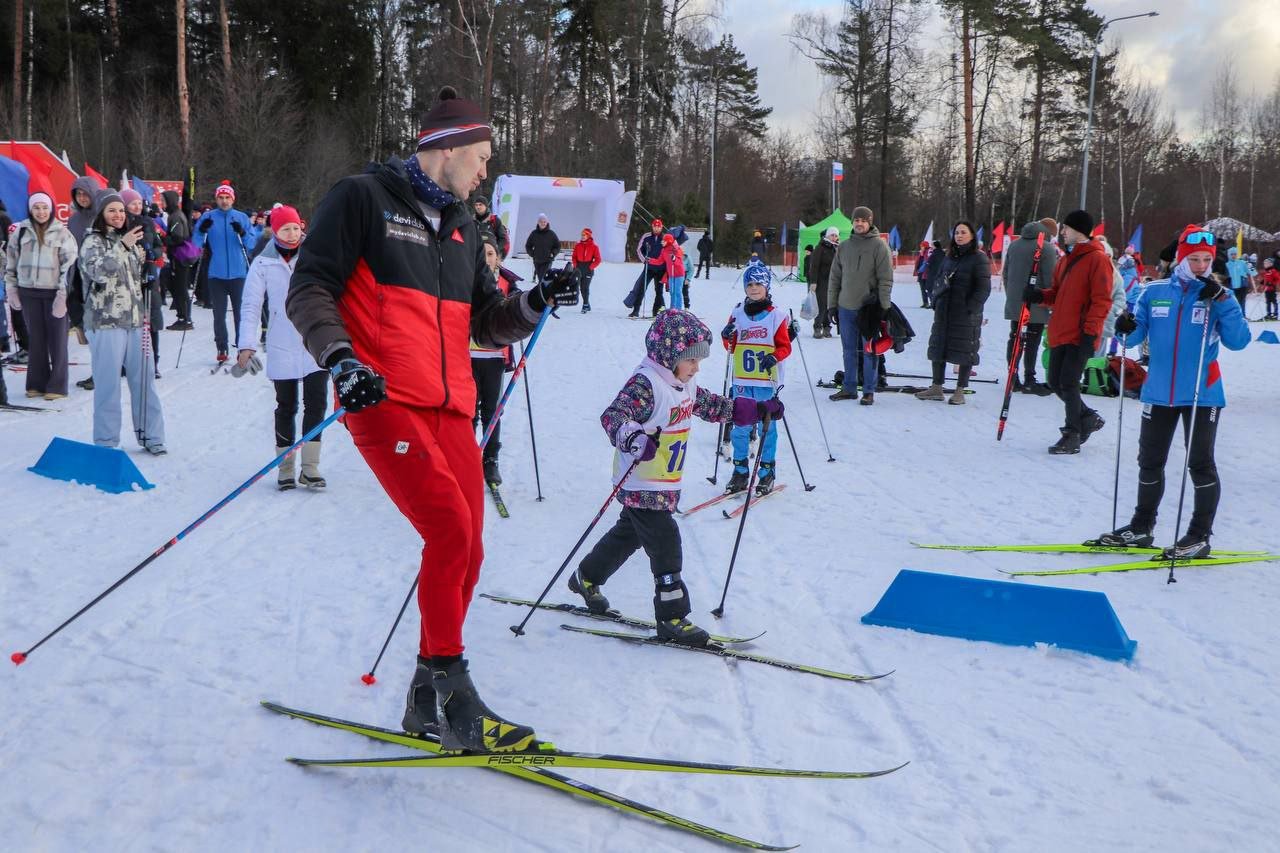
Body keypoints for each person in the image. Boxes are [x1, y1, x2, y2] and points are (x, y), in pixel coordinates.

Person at [286, 85, 576, 753]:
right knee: (447, 526)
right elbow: (311, 288)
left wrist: (533, 302)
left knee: (470, 546)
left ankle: (424, 691)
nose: (486, 172)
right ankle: (453, 689)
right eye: (481, 158)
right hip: (383, 396)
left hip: (451, 406)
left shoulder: (463, 225)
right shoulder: (362, 198)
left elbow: (486, 321)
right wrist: (340, 360)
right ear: (445, 150)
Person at [568, 309, 774, 647]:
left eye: (699, 360)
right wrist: (634, 437)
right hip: (641, 481)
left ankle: (586, 578)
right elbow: (613, 416)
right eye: (690, 360)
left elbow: (707, 404)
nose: (696, 367)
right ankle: (672, 616)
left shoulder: (682, 382)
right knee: (665, 540)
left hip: (664, 482)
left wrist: (751, 410)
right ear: (669, 355)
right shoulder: (646, 383)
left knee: (628, 535)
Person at [1097, 226, 1251, 557]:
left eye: (1206, 260)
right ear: (1181, 258)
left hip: (1202, 393)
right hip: (1159, 392)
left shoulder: (1215, 297)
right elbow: (1132, 337)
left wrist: (1223, 300)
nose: (1200, 266)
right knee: (1149, 461)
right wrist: (1124, 326)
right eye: (1193, 258)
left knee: (1200, 463)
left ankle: (1198, 535)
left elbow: (1239, 342)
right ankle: (1141, 527)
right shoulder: (1155, 292)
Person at [234, 205, 325, 490]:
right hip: (281, 342)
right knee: (286, 406)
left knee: (316, 404)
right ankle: (285, 467)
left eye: (296, 228)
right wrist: (246, 345)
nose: (292, 234)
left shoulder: (314, 255)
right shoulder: (263, 263)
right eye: (286, 228)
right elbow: (250, 305)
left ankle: (310, 468)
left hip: (315, 340)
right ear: (274, 230)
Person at [79, 191, 166, 453]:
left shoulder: (130, 240)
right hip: (106, 323)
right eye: (111, 211)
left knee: (145, 381)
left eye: (121, 211)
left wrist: (149, 267)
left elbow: (136, 276)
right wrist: (123, 246)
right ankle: (106, 442)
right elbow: (98, 272)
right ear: (101, 214)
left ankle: (151, 436)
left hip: (135, 320)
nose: (118, 215)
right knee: (108, 384)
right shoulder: (93, 241)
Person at [1023, 210, 1113, 455]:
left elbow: (1101, 300)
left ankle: (1072, 433)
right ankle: (1087, 418)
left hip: (1080, 333)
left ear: (1079, 231)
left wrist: (1090, 333)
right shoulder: (1065, 259)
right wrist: (1040, 295)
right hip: (1061, 330)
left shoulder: (1097, 259)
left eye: (1066, 228)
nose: (1062, 232)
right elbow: (1057, 293)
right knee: (1054, 381)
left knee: (1069, 383)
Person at [720, 263, 790, 494]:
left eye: (758, 283)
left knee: (766, 428)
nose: (753, 288)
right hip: (741, 381)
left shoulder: (777, 315)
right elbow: (730, 346)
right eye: (749, 284)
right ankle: (740, 471)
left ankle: (767, 472)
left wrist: (774, 356)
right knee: (740, 428)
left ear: (767, 286)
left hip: (765, 383)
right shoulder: (738, 312)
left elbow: (785, 347)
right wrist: (726, 336)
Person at [3, 188, 77, 400]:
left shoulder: (62, 233)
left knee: (57, 340)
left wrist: (63, 295)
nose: (41, 211)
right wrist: (12, 289)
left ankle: (57, 385)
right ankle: (36, 383)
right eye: (36, 207)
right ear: (30, 209)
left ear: (51, 209)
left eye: (45, 207)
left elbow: (69, 266)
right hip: (28, 293)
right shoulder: (20, 232)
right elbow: (11, 264)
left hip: (54, 292)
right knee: (36, 339)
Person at [915, 221, 991, 406]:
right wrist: (936, 301)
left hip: (965, 314)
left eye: (963, 232)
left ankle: (959, 391)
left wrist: (970, 308)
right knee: (938, 348)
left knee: (965, 351)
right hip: (944, 311)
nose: (959, 235)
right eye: (957, 232)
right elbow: (938, 279)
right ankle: (936, 387)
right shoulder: (949, 257)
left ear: (972, 236)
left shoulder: (978, 258)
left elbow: (983, 288)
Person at [827, 206, 893, 404]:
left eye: (864, 220)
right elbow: (834, 278)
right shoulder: (844, 247)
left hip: (869, 309)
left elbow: (885, 278)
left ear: (870, 222)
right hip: (845, 307)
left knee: (869, 350)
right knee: (848, 350)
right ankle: (849, 387)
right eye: (857, 220)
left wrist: (884, 305)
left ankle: (869, 391)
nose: (860, 223)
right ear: (852, 222)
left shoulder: (879, 246)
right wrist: (832, 305)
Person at [472, 232, 519, 485]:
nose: (486, 258)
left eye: (490, 253)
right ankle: (467, 457)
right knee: (468, 411)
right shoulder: (462, 279)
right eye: (482, 253)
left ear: (498, 259)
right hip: (465, 357)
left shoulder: (506, 284)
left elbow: (516, 314)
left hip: (493, 357)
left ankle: (490, 461)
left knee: (493, 411)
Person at [193, 181, 255, 363]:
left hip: (238, 274)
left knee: (239, 314)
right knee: (218, 314)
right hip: (216, 274)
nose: (224, 201)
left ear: (233, 199)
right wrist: (202, 230)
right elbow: (196, 244)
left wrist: (242, 232)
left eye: (227, 197)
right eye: (221, 198)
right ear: (216, 199)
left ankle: (240, 346)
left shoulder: (241, 217)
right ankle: (222, 346)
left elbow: (251, 244)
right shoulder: (208, 217)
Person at [1001, 220, 1057, 395]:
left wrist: (1011, 296)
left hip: (1015, 301)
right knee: (1032, 341)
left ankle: (1013, 378)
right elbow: (1050, 279)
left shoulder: (1014, 245)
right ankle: (1029, 378)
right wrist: (1051, 302)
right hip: (1036, 303)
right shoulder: (1046, 248)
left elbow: (1006, 273)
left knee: (1015, 339)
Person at [121, 188, 165, 367]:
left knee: (152, 316)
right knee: (129, 318)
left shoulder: (148, 222)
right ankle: (126, 362)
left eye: (139, 203)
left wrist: (152, 254)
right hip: (129, 276)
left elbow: (158, 246)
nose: (137, 206)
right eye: (133, 203)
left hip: (149, 274)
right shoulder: (121, 223)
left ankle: (153, 361)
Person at [65, 175, 101, 345]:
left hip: (99, 275)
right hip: (78, 275)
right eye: (78, 194)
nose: (82, 198)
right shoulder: (73, 220)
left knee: (101, 325)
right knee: (82, 317)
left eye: (85, 193)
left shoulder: (103, 215)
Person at [159, 190, 195, 331]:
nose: (162, 204)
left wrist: (162, 238)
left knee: (180, 287)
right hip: (179, 257)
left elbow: (178, 237)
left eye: (163, 201)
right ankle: (183, 316)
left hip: (180, 257)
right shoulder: (175, 215)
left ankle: (184, 318)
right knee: (178, 286)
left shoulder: (175, 216)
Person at [631, 218, 667, 318]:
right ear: (652, 226)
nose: (656, 229)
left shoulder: (664, 238)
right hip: (649, 268)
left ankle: (655, 312)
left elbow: (668, 251)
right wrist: (644, 260)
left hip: (661, 269)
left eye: (658, 227)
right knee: (641, 288)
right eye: (654, 227)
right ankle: (636, 310)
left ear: (661, 227)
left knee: (659, 291)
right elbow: (639, 249)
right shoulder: (646, 236)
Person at [809, 227, 838, 338]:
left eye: (836, 235)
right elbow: (814, 266)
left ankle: (827, 327)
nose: (834, 237)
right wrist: (813, 282)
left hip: (834, 282)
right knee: (821, 306)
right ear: (827, 236)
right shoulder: (820, 248)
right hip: (821, 282)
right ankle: (817, 327)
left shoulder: (837, 248)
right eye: (832, 235)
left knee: (830, 306)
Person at [523, 213, 560, 284]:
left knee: (543, 278)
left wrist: (553, 253)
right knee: (540, 278)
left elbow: (558, 246)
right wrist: (532, 254)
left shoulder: (551, 234)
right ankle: (543, 293)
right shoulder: (534, 233)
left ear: (547, 222)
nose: (543, 223)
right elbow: (528, 245)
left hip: (547, 260)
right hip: (537, 261)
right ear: (538, 222)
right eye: (541, 222)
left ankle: (543, 293)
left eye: (544, 222)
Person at [571, 227, 601, 313]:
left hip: (588, 269)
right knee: (581, 288)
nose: (583, 236)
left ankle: (584, 305)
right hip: (579, 268)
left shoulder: (594, 247)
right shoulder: (578, 246)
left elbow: (598, 259)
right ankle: (587, 303)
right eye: (582, 235)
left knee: (585, 287)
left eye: (584, 235)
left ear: (588, 236)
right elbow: (574, 257)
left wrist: (591, 267)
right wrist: (576, 266)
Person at [660, 232, 688, 310]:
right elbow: (659, 261)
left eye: (664, 241)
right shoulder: (664, 250)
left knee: (677, 291)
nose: (662, 242)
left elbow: (679, 262)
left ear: (668, 241)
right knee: (672, 291)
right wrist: (650, 260)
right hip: (671, 274)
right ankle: (672, 308)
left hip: (679, 273)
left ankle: (678, 309)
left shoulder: (676, 249)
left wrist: (674, 259)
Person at [913, 240, 932, 308]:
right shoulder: (921, 253)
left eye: (922, 246)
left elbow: (925, 264)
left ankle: (931, 302)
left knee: (927, 289)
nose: (921, 247)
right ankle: (925, 302)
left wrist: (919, 270)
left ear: (925, 246)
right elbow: (918, 263)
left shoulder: (927, 253)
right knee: (923, 289)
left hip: (925, 274)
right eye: (921, 246)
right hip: (921, 274)